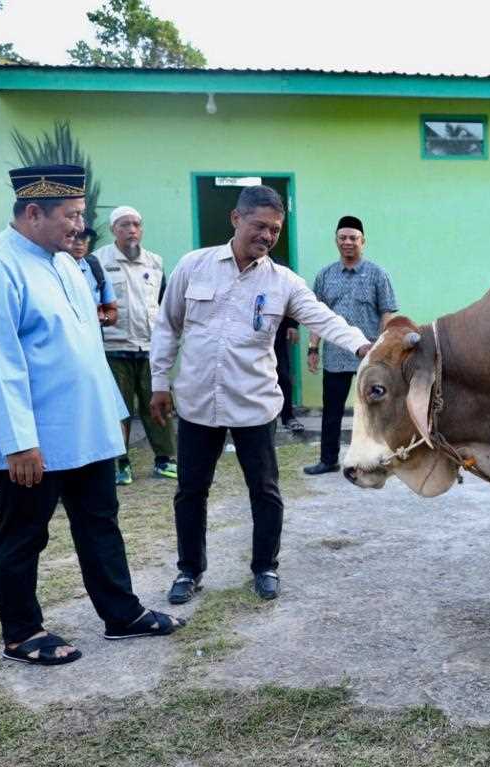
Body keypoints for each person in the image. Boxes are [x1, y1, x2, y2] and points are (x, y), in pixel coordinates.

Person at [0, 164, 182, 666]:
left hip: (85, 430)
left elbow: (82, 349)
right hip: (34, 441)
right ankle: (21, 633)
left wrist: (109, 419)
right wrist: (18, 443)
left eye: (80, 215)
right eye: (71, 216)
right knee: (24, 534)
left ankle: (121, 614)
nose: (79, 227)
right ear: (33, 212)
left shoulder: (66, 264)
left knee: (100, 522)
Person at [150, 186, 372, 603]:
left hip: (253, 404)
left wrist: (363, 345)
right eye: (259, 226)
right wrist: (159, 383)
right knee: (191, 492)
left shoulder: (283, 282)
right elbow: (167, 326)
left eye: (275, 230)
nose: (267, 236)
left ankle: (265, 566)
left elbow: (323, 318)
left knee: (265, 491)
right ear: (236, 219)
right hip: (198, 403)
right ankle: (189, 570)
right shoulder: (193, 266)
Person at [303, 215, 397, 475]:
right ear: (336, 241)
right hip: (334, 356)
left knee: (374, 409)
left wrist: (382, 349)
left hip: (369, 357)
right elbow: (316, 317)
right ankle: (328, 459)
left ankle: (378, 459)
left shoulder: (378, 274)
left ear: (363, 242)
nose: (348, 242)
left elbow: (387, 313)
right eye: (343, 238)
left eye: (353, 238)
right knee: (331, 411)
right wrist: (313, 348)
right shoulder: (324, 276)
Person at [95, 205, 176, 484]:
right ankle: (120, 463)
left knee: (158, 404)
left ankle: (165, 459)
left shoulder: (155, 262)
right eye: (124, 225)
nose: (131, 230)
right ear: (113, 230)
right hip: (114, 349)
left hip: (151, 348)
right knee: (119, 408)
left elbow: (164, 304)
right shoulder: (99, 262)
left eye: (136, 224)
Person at [68, 226, 117, 327]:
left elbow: (112, 310)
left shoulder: (95, 267)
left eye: (84, 238)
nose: (79, 243)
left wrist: (104, 318)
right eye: (75, 236)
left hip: (92, 338)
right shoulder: (52, 268)